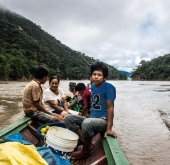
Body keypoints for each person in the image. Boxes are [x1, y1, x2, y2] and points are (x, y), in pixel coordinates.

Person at [64, 62, 117, 160]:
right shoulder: (92, 87)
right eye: (94, 74)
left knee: (87, 123)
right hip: (92, 118)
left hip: (103, 121)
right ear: (91, 76)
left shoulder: (109, 87)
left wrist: (109, 128)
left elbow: (110, 108)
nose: (96, 77)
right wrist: (86, 114)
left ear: (104, 77)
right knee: (67, 118)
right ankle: (86, 143)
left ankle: (84, 152)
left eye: (99, 75)